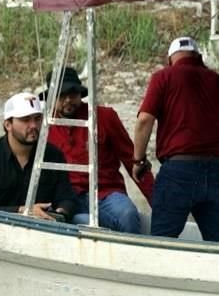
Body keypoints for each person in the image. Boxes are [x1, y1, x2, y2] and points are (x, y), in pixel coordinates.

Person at [133, 36, 219, 241]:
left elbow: (144, 121)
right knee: (218, 242)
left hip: (179, 171)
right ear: (199, 56)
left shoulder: (163, 77)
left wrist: (138, 161)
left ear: (170, 59)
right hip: (218, 172)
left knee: (162, 240)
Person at [41, 66, 152, 234]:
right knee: (81, 222)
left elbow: (132, 159)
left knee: (128, 214)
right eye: (61, 95)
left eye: (73, 94)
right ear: (51, 97)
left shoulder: (104, 117)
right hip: (69, 199)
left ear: (80, 94)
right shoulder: (44, 126)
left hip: (108, 192)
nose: (68, 100)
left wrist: (157, 202)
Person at [0, 92, 77, 221]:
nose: (33, 125)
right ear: (8, 125)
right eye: (25, 120)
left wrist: (59, 213)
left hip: (45, 226)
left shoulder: (54, 155)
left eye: (37, 118)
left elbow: (66, 197)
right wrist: (23, 211)